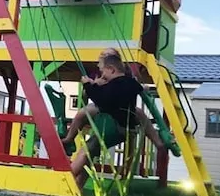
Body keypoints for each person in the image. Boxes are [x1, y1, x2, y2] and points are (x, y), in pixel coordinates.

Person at [66, 53, 165, 188]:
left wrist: (89, 85)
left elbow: (101, 99)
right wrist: (145, 88)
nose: (102, 75)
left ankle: (64, 181)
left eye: (103, 71)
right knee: (90, 155)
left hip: (111, 126)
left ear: (112, 69)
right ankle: (77, 188)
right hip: (125, 130)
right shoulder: (131, 83)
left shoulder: (113, 86)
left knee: (85, 153)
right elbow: (141, 89)